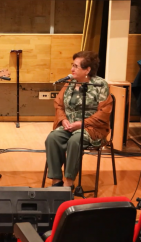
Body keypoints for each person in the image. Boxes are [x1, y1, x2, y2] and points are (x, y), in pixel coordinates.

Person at [45, 51, 113, 188]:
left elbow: (103, 113)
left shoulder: (100, 85)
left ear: (87, 69)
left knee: (75, 140)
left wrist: (81, 124)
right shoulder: (69, 83)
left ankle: (68, 182)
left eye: (76, 66)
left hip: (91, 129)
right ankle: (56, 181)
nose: (72, 69)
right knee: (52, 138)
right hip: (69, 126)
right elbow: (58, 104)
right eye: (72, 65)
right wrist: (63, 119)